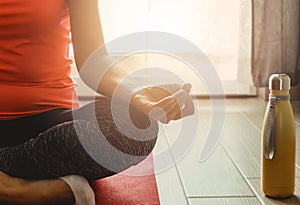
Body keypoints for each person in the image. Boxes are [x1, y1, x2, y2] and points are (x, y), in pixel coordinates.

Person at [0, 0, 194, 204]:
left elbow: (95, 59)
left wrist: (135, 93)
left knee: (138, 126)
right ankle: (18, 190)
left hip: (52, 127)